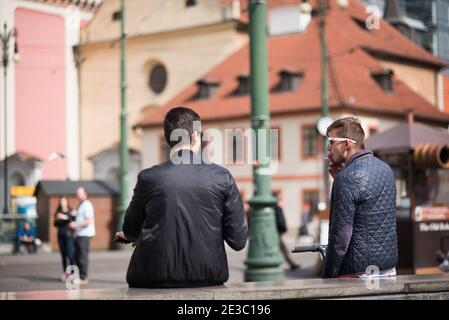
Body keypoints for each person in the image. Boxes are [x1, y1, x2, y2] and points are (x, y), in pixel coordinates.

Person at [115, 106, 248, 288]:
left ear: (169, 141)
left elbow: (130, 229)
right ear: (194, 137)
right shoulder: (222, 177)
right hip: (207, 277)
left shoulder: (148, 177)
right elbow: (238, 241)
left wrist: (135, 235)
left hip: (152, 278)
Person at [323, 117, 398, 278]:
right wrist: (340, 178)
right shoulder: (386, 169)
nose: (328, 148)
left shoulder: (347, 178)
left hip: (358, 273)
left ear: (346, 144)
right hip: (388, 269)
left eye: (331, 142)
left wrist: (329, 273)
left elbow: (341, 237)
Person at [70, 187, 96, 284]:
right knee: (77, 255)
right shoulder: (81, 205)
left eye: (80, 193)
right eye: (77, 193)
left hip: (85, 234)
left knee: (82, 256)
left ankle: (83, 278)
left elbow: (88, 221)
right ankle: (80, 275)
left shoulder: (87, 204)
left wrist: (75, 225)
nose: (78, 195)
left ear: (85, 193)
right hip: (80, 234)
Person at [274, 194, 300, 271]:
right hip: (277, 233)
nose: (284, 202)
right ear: (280, 201)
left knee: (282, 249)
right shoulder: (278, 209)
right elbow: (280, 221)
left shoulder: (277, 208)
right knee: (283, 250)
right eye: (283, 201)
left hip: (277, 233)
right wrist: (283, 229)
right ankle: (292, 264)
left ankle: (292, 264)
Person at [54, 196, 76, 282]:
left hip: (69, 235)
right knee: (63, 255)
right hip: (60, 235)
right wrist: (58, 218)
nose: (62, 203)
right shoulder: (58, 212)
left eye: (64, 201)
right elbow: (55, 224)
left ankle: (73, 273)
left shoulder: (71, 211)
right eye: (61, 201)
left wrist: (64, 217)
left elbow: (72, 220)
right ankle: (65, 273)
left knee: (70, 254)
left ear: (67, 202)